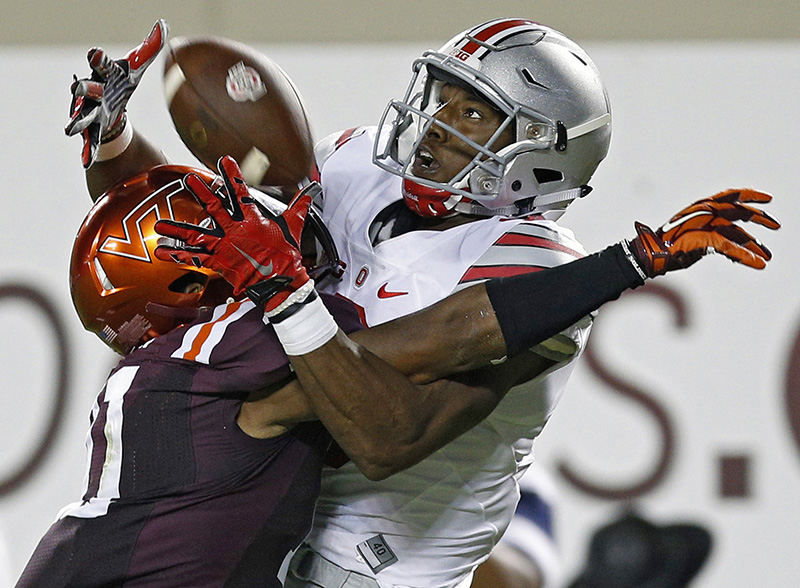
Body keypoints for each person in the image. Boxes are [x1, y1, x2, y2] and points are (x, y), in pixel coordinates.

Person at [64, 18, 778, 588]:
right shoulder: (360, 161)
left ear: (540, 158)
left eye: (475, 115)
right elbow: (213, 243)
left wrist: (628, 261)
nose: (437, 124)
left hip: (375, 565)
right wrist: (115, 145)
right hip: (264, 519)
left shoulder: (534, 267)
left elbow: (386, 439)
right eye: (444, 97)